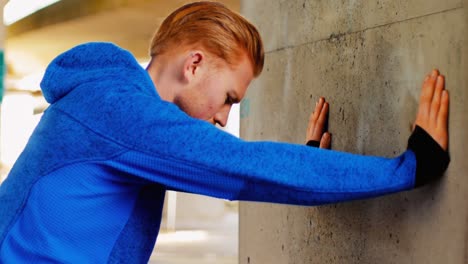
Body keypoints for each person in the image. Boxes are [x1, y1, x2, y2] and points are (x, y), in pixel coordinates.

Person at [0, 1, 449, 263]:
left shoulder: (111, 102)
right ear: (194, 64)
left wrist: (308, 160)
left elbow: (229, 173)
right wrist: (412, 167)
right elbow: (244, 170)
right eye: (230, 98)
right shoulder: (123, 112)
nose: (225, 118)